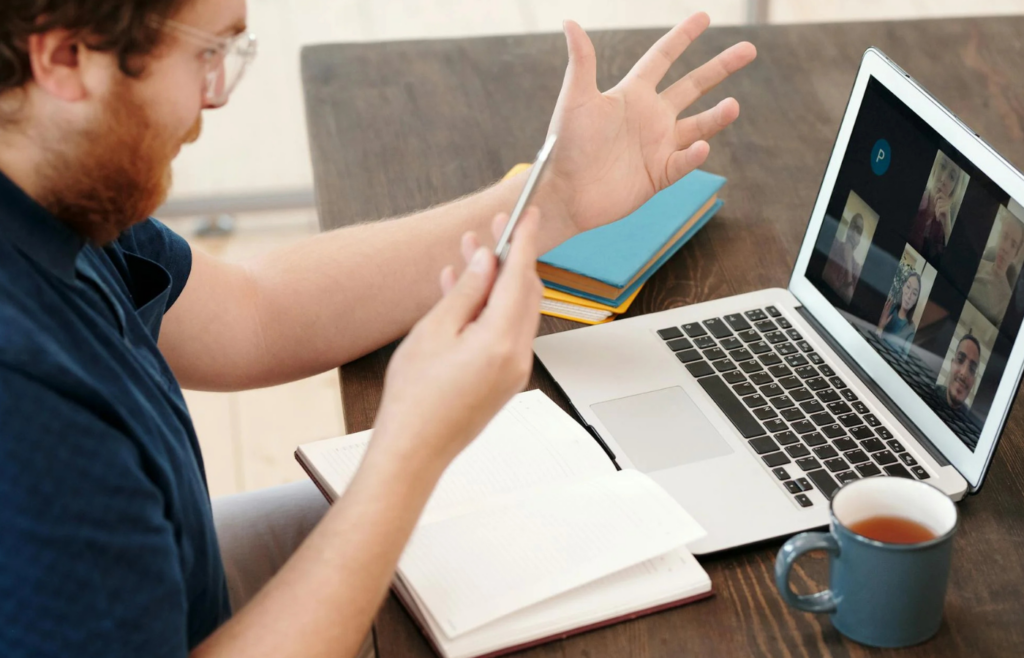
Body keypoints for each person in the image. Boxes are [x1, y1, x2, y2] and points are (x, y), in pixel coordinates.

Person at [0, 1, 756, 656]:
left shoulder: (52, 184)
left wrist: (552, 197)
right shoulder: (27, 410)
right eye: (206, 53)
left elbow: (254, 313)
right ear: (65, 58)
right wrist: (409, 447)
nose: (216, 95)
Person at [970, 213, 1024, 325]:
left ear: (1015, 254)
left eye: (1013, 245)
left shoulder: (1006, 304)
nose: (1005, 248)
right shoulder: (976, 265)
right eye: (1004, 237)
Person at [908, 151, 963, 262]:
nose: (943, 179)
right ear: (935, 167)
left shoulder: (946, 227)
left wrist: (947, 229)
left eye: (951, 177)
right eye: (942, 166)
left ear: (954, 189)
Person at [821, 212, 865, 302]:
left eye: (858, 231)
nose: (854, 232)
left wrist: (848, 262)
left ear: (859, 240)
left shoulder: (857, 269)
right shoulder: (833, 243)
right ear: (848, 228)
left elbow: (849, 300)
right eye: (853, 226)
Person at [876, 271, 922, 356]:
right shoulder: (888, 309)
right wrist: (880, 326)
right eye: (908, 287)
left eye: (914, 293)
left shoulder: (910, 332)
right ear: (903, 287)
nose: (909, 295)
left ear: (916, 300)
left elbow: (901, 359)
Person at [937, 334, 981, 413]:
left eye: (972, 368)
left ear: (973, 381)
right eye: (960, 359)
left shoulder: (969, 419)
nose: (964, 373)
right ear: (952, 364)